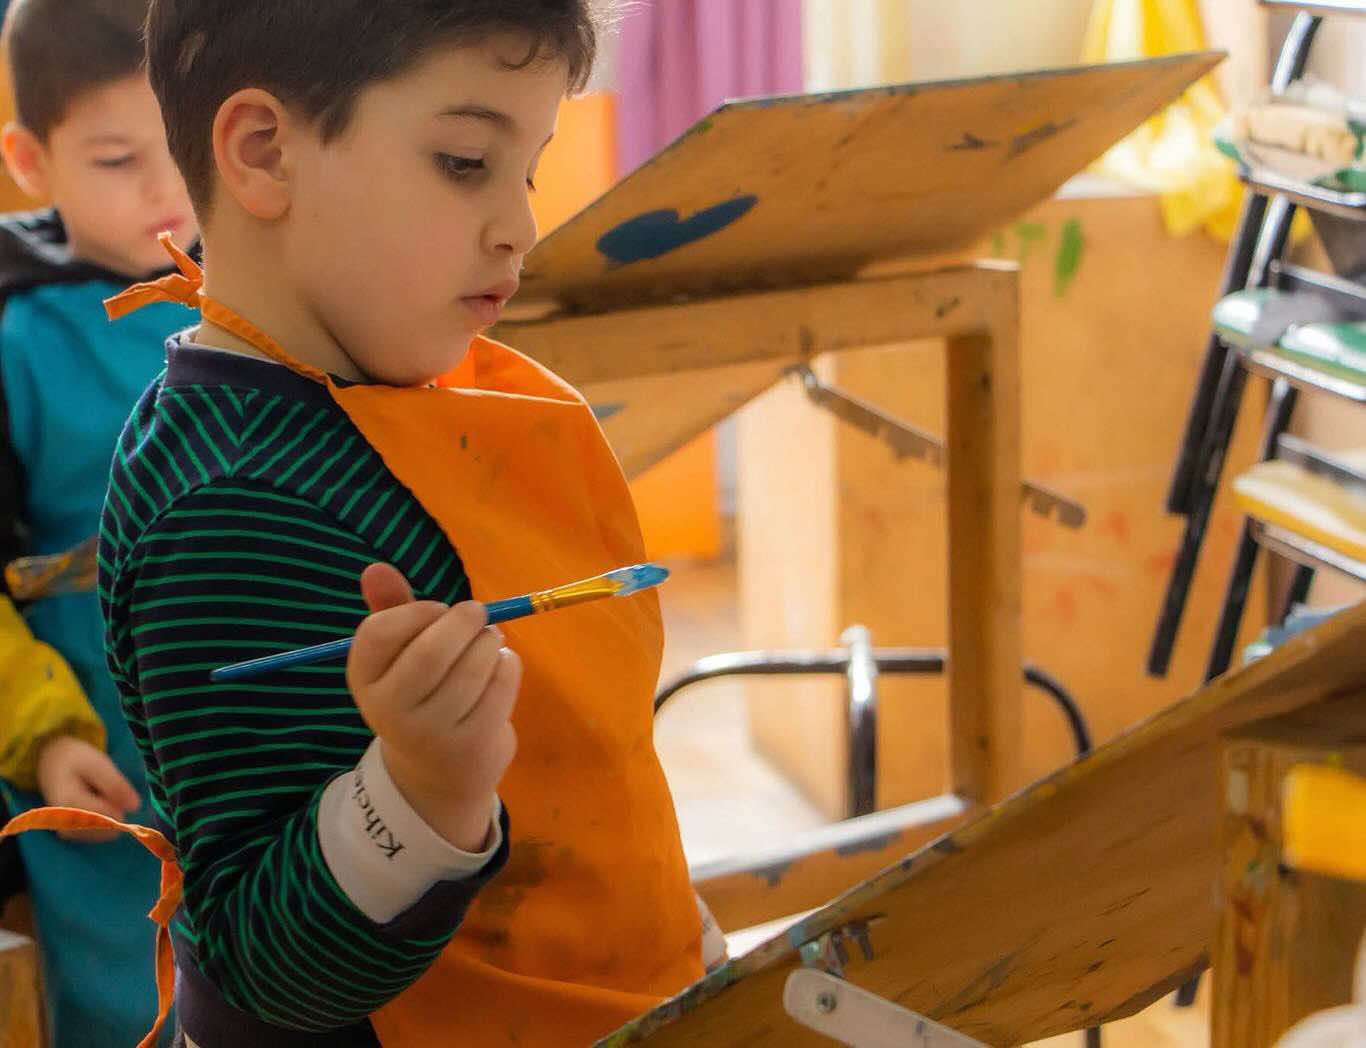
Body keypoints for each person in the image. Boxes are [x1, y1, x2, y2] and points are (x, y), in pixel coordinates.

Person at [92, 2, 709, 1044]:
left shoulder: (381, 372)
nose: (520, 224)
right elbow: (262, 961)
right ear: (263, 152)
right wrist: (418, 794)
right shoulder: (234, 504)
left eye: (528, 167)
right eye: (467, 162)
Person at [0, 0, 198, 1043]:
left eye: (187, 143)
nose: (169, 189)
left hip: (260, 718)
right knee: (131, 1007)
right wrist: (43, 738)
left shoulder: (263, 286)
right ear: (31, 160)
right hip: (91, 744)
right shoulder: (14, 333)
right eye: (120, 159)